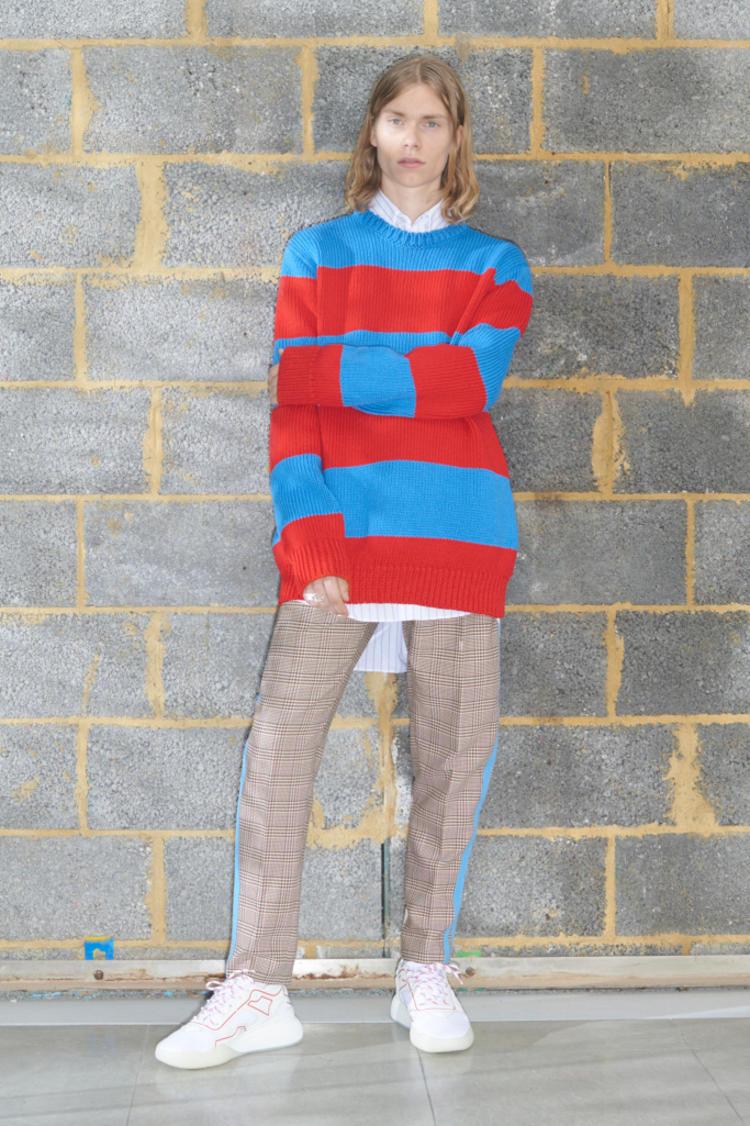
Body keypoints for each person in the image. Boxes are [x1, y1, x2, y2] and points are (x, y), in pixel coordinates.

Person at [155, 51, 533, 1070]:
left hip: (458, 532)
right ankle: (257, 987)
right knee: (279, 755)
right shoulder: (317, 253)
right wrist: (311, 536)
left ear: (455, 140)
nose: (413, 137)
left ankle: (425, 967)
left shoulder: (497, 265)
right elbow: (295, 416)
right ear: (372, 130)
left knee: (455, 756)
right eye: (398, 118)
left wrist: (326, 366)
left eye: (433, 121)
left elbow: (466, 387)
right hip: (342, 538)